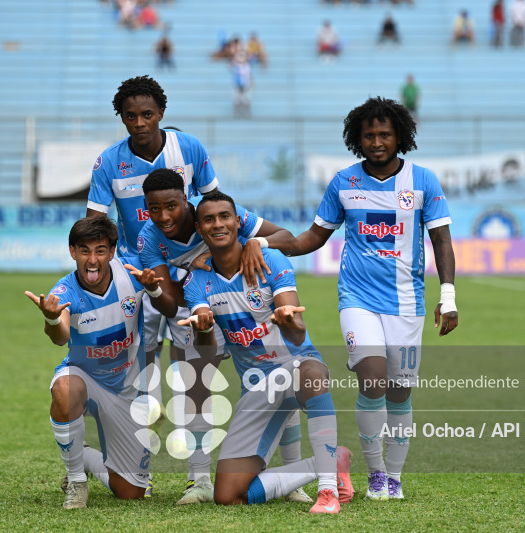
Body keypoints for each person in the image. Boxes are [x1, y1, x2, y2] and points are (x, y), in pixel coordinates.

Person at [280, 97, 459, 500]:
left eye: (384, 134)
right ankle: (375, 473)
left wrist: (447, 296)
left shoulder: (423, 181)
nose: (376, 141)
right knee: (373, 376)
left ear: (400, 136)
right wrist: (261, 244)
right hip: (357, 298)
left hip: (407, 302)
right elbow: (312, 237)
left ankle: (394, 478)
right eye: (368, 135)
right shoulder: (344, 182)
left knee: (398, 392)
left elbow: (442, 242)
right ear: (356, 139)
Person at [137, 168, 315, 504]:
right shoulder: (148, 239)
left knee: (278, 377)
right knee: (195, 385)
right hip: (199, 305)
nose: (164, 216)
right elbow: (173, 304)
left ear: (186, 202)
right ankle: (199, 480)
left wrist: (255, 245)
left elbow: (288, 239)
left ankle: (294, 479)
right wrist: (155, 290)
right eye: (154, 209)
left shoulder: (216, 213)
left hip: (245, 302)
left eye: (172, 206)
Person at [86, 75, 220, 500]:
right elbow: (95, 223)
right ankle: (134, 468)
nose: (139, 122)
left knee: (194, 374)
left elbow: (217, 208)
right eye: (131, 116)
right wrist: (100, 273)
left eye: (147, 114)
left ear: (161, 113)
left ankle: (200, 477)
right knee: (134, 374)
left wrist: (216, 260)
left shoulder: (191, 149)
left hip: (184, 274)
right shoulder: (109, 161)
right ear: (122, 119)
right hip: (131, 273)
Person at [179, 192, 355, 513]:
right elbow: (207, 353)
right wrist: (202, 330)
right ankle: (329, 460)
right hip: (257, 389)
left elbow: (298, 330)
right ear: (199, 228)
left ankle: (328, 491)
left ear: (237, 222)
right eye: (209, 219)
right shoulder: (197, 282)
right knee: (228, 496)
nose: (218, 224)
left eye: (224, 216)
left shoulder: (270, 259)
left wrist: (287, 320)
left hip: (296, 369)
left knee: (313, 370)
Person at [24, 216, 165, 508]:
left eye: (100, 250)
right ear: (72, 251)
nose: (92, 259)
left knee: (131, 492)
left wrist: (156, 286)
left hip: (127, 389)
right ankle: (76, 481)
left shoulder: (131, 274)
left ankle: (84, 456)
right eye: (84, 250)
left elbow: (171, 280)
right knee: (65, 388)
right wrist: (51, 318)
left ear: (112, 252)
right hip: (86, 380)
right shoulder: (64, 291)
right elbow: (60, 336)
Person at [231, 51, 253, 118]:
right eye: (239, 55)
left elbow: (248, 76)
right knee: (237, 101)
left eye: (242, 56)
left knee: (246, 100)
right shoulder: (235, 65)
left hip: (246, 86)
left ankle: (247, 113)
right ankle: (236, 114)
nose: (241, 57)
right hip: (237, 86)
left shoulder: (247, 66)